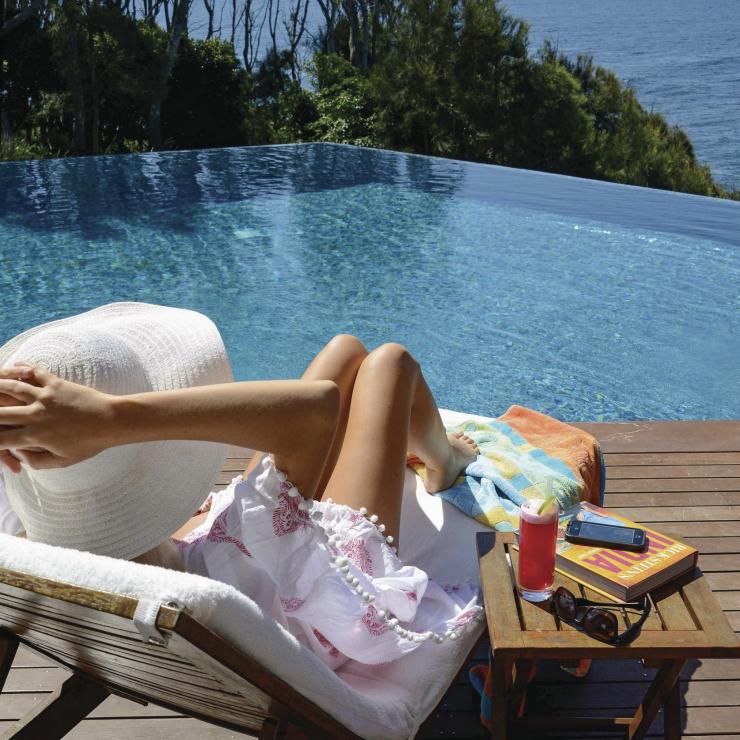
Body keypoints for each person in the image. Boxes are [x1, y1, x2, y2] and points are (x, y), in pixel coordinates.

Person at [0, 303, 483, 668]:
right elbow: (314, 407)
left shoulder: (29, 535)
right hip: (314, 611)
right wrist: (110, 419)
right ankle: (445, 457)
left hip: (211, 557)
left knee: (345, 349)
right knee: (389, 364)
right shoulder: (110, 441)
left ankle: (406, 447)